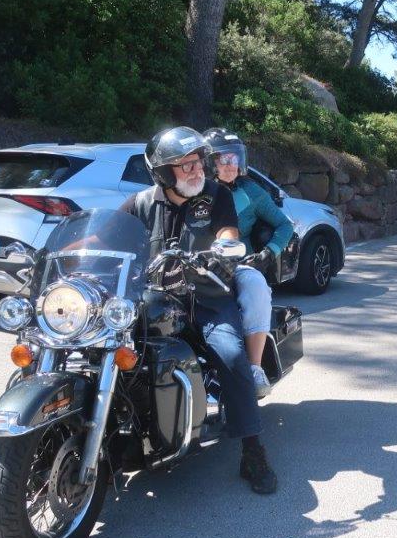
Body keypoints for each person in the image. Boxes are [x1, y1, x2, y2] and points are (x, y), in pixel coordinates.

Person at [120, 126, 277, 494]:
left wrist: (223, 248)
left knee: (232, 355)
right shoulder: (140, 204)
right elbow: (104, 238)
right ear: (162, 173)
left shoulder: (216, 195)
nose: (196, 170)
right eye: (185, 165)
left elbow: (228, 234)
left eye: (197, 162)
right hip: (153, 304)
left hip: (207, 298)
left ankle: (252, 449)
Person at [203, 127, 294, 399]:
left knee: (257, 288)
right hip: (197, 265)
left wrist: (267, 253)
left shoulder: (250, 192)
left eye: (234, 158)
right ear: (209, 162)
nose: (231, 165)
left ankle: (254, 368)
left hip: (237, 264)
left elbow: (284, 225)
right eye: (224, 159)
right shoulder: (196, 190)